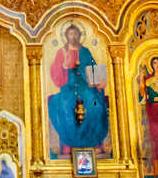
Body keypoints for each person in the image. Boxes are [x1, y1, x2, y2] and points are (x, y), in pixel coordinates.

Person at [46, 24, 110, 152]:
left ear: (80, 35)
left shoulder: (85, 51)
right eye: (70, 34)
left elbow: (94, 68)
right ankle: (69, 142)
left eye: (75, 34)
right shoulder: (61, 52)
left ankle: (93, 141)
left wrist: (98, 81)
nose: (73, 36)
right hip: (68, 86)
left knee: (95, 106)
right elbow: (55, 73)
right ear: (66, 36)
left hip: (85, 86)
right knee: (63, 105)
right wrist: (64, 66)